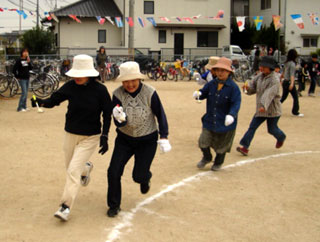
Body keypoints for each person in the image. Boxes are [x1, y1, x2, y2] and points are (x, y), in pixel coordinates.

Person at [30, 54, 112, 221]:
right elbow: (54, 100)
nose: (77, 78)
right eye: (75, 74)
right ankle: (86, 167)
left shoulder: (100, 90)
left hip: (90, 136)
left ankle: (65, 207)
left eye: (80, 74)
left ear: (89, 74)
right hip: (71, 133)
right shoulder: (70, 86)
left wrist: (105, 135)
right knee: (71, 167)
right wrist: (40, 101)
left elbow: (108, 113)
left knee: (73, 171)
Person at [106, 61, 171, 217]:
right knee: (113, 171)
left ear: (139, 79)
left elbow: (160, 114)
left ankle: (145, 178)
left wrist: (164, 136)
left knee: (138, 176)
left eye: (133, 80)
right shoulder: (117, 94)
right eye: (126, 81)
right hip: (124, 139)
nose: (130, 84)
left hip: (147, 140)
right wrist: (119, 119)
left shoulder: (150, 93)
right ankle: (114, 205)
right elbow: (116, 119)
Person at [193, 57, 241, 171]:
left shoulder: (234, 88)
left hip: (225, 121)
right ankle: (207, 157)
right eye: (218, 70)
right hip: (210, 119)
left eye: (223, 70)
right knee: (203, 141)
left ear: (229, 72)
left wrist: (231, 115)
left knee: (222, 146)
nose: (220, 73)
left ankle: (218, 162)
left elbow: (236, 103)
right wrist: (198, 93)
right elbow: (203, 93)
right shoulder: (212, 84)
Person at [236, 56, 286, 156]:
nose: (261, 68)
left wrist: (263, 105)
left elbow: (269, 94)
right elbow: (253, 86)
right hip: (261, 109)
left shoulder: (274, 80)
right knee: (252, 127)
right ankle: (245, 147)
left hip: (272, 109)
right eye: (261, 66)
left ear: (270, 68)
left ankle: (281, 137)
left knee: (272, 129)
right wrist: (247, 88)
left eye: (264, 66)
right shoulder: (260, 76)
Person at [280, 49, 304, 117]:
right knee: (295, 97)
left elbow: (283, 72)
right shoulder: (292, 64)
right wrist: (292, 83)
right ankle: (295, 112)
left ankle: (274, 108)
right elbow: (292, 75)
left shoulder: (286, 63)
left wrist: (280, 79)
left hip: (285, 81)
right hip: (289, 82)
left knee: (283, 97)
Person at [12, 48, 33, 112]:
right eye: (24, 52)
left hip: (27, 78)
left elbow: (30, 68)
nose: (26, 53)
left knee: (26, 94)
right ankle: (20, 108)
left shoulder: (27, 60)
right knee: (24, 93)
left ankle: (24, 106)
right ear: (22, 53)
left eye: (27, 52)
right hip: (22, 79)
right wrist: (17, 76)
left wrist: (29, 62)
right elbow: (14, 69)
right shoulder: (19, 60)